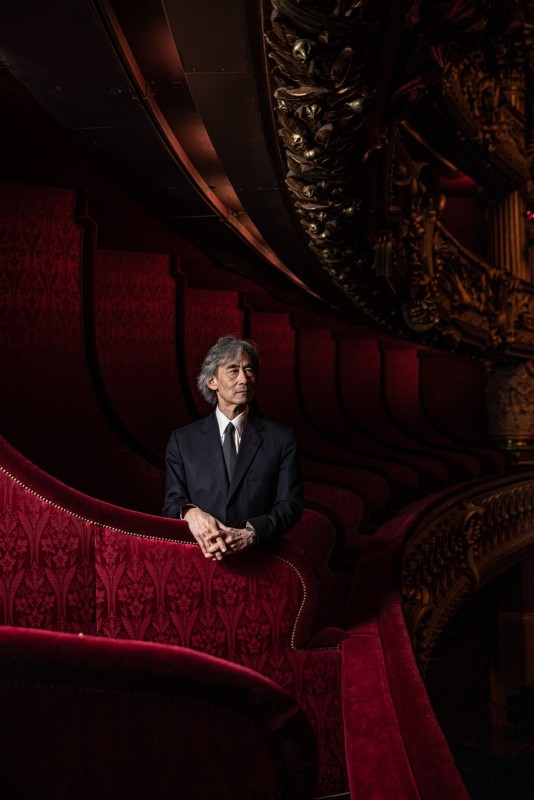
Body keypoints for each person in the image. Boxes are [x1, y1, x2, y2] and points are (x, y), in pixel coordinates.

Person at [163, 334, 303, 560]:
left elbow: (290, 505)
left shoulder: (282, 438)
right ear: (212, 381)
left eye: (249, 370)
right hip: (200, 559)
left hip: (259, 558)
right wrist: (191, 513)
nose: (244, 380)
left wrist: (250, 533)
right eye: (233, 370)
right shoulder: (182, 441)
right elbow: (172, 503)